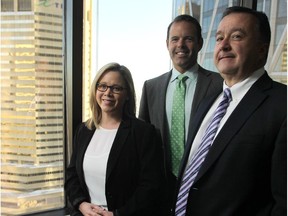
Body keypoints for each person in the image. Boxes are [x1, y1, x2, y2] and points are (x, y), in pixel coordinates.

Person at [174, 6, 287, 216]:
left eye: (236, 36)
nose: (224, 46)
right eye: (219, 38)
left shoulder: (283, 105)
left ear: (261, 49)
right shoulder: (209, 100)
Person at [138, 14, 223, 214]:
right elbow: (143, 140)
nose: (181, 45)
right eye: (175, 39)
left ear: (200, 43)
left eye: (189, 39)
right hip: (160, 187)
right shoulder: (151, 87)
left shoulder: (220, 85)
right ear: (167, 44)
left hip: (204, 186)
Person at [65, 62, 165, 216]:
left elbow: (150, 186)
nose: (107, 93)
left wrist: (117, 214)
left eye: (116, 88)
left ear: (127, 95)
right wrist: (81, 204)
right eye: (102, 86)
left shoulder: (143, 133)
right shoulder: (84, 130)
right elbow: (72, 175)